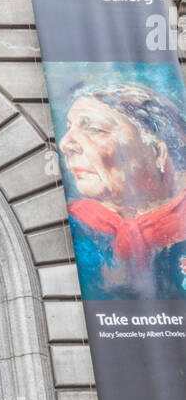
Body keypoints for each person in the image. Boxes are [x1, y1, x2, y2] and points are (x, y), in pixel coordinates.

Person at [59, 83, 186, 298]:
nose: (65, 143)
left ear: (156, 152)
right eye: (69, 127)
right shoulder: (73, 224)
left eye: (95, 129)